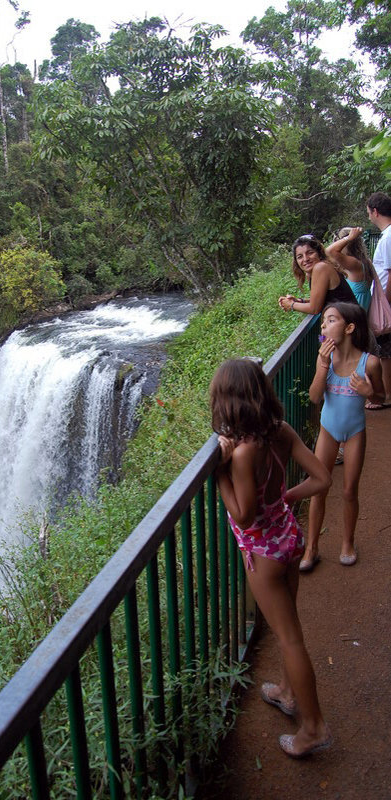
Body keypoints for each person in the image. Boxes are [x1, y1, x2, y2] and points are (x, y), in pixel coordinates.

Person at [210, 358, 333, 759]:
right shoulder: (279, 430)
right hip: (289, 538)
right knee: (289, 626)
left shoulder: (243, 453)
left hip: (263, 554)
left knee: (289, 637)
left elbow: (244, 515)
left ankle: (313, 728)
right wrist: (286, 497)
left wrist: (221, 474)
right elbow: (322, 478)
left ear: (228, 403)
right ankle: (286, 692)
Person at [300, 303, 384, 572]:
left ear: (349, 328)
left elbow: (381, 397)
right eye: (323, 321)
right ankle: (312, 548)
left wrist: (368, 392)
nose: (324, 325)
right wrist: (323, 365)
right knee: (319, 487)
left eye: (330, 320)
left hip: (355, 432)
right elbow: (315, 397)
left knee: (349, 490)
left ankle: (347, 543)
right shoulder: (325, 359)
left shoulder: (369, 363)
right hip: (328, 430)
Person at [278, 234, 356, 316]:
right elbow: (324, 300)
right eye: (300, 257)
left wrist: (291, 305)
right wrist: (299, 301)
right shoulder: (312, 273)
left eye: (310, 253)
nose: (305, 259)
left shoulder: (321, 267)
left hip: (350, 320)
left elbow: (314, 309)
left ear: (319, 253)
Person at [366, 192, 391, 407]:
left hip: (386, 302)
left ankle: (386, 395)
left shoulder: (389, 237)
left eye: (368, 212)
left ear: (375, 211)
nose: (368, 217)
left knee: (384, 352)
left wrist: (386, 302)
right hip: (384, 300)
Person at [325, 226, 376, 311]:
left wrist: (348, 238)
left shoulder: (354, 263)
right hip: (360, 310)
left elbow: (329, 252)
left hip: (353, 312)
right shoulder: (364, 261)